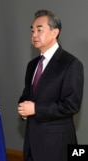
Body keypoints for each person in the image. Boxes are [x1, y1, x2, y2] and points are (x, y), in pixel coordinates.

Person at [17, 9, 84, 161]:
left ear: (55, 33)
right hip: (31, 144)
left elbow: (71, 105)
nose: (34, 35)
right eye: (32, 30)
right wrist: (23, 107)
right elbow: (27, 95)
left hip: (56, 146)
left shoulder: (71, 64)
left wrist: (35, 109)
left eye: (39, 30)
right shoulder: (32, 65)